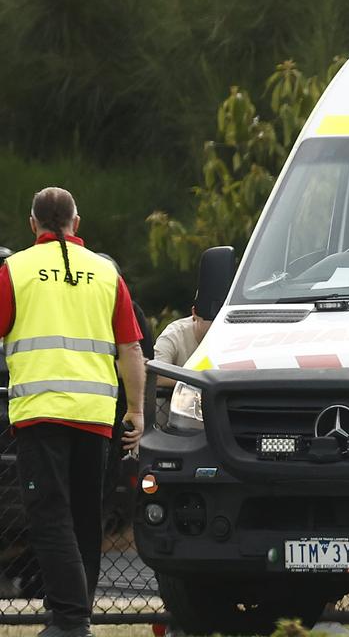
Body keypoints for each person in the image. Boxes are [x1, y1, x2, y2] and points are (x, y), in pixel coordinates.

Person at [0, 187, 145, 637]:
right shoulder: (106, 274)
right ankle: (75, 616)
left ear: (33, 224)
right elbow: (131, 349)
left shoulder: (14, 270)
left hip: (41, 413)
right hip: (96, 415)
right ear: (76, 224)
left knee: (49, 515)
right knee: (85, 517)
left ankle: (68, 621)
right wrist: (137, 411)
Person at [152, 303, 211, 388]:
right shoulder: (173, 336)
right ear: (195, 313)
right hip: (174, 399)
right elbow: (158, 377)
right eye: (212, 319)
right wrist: (200, 384)